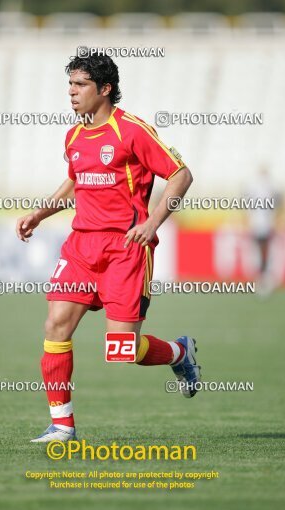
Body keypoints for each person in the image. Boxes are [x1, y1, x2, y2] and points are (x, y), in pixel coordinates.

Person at [16, 54, 201, 443]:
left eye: (80, 84)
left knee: (122, 350)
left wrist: (151, 224)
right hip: (81, 246)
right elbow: (74, 183)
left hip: (126, 249)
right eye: (70, 84)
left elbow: (180, 175)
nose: (71, 91)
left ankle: (179, 353)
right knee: (55, 325)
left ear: (104, 89)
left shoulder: (132, 131)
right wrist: (39, 214)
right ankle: (62, 425)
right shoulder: (74, 135)